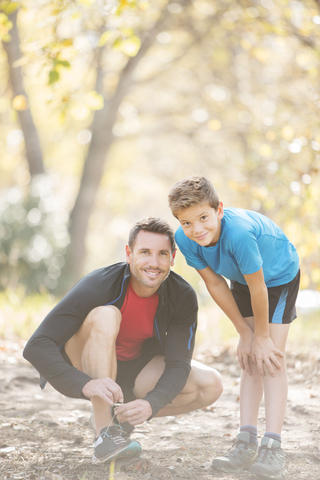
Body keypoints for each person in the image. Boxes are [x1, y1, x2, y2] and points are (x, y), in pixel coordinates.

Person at [23, 217, 223, 463]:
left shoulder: (182, 296)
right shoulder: (99, 284)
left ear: (173, 258)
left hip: (134, 368)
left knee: (211, 385)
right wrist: (85, 383)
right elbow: (37, 345)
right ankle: (104, 434)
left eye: (162, 254)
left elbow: (179, 363)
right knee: (106, 314)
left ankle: (117, 418)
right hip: (83, 363)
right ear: (129, 253)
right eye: (145, 252)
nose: (154, 262)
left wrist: (151, 403)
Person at [168, 176, 300, 479]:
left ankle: (273, 445)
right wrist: (244, 333)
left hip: (277, 278)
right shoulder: (186, 239)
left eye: (203, 218)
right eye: (187, 223)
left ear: (219, 210)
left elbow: (260, 286)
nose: (196, 229)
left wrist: (263, 337)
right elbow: (215, 282)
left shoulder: (238, 234)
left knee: (270, 358)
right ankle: (246, 440)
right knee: (250, 358)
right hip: (244, 279)